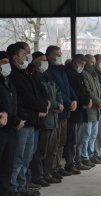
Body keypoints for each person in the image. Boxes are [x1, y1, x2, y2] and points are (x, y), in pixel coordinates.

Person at [8, 44, 49, 195]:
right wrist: (42, 106)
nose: (27, 57)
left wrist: (44, 105)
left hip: (32, 121)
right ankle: (12, 187)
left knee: (27, 157)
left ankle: (21, 185)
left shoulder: (26, 73)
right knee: (17, 157)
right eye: (25, 54)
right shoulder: (13, 74)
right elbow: (26, 97)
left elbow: (38, 93)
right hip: (23, 120)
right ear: (15, 57)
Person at [30, 51, 64, 186]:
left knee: (52, 149)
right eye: (42, 60)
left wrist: (60, 103)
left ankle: (48, 173)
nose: (45, 62)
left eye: (45, 60)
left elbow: (57, 91)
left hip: (54, 118)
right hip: (44, 120)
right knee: (41, 151)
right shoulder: (34, 78)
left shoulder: (47, 76)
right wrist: (56, 104)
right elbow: (44, 97)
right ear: (35, 62)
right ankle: (38, 176)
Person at [46, 45, 77, 179]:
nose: (59, 57)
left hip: (66, 112)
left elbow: (68, 87)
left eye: (60, 55)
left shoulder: (62, 70)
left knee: (62, 142)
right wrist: (68, 102)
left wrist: (74, 99)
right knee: (54, 144)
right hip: (58, 112)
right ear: (49, 56)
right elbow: (57, 91)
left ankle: (58, 166)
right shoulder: (48, 71)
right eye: (56, 55)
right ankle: (52, 169)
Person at [64, 54, 92, 172]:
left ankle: (77, 160)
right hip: (75, 111)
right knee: (72, 140)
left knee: (79, 139)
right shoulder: (68, 74)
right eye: (81, 64)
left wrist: (89, 100)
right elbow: (74, 93)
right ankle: (71, 164)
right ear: (75, 61)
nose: (82, 66)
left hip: (81, 111)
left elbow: (85, 90)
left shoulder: (79, 74)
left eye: (84, 65)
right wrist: (84, 102)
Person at [0, 51, 19, 195]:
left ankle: (6, 189)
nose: (7, 66)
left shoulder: (9, 81)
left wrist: (17, 118)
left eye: (8, 62)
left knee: (8, 160)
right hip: (1, 127)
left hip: (11, 127)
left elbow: (14, 103)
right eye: (3, 63)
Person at [81, 54, 101, 166]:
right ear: (86, 63)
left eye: (94, 63)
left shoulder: (94, 75)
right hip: (90, 110)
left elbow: (100, 90)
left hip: (97, 110)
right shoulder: (84, 74)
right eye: (91, 62)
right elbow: (88, 90)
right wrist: (99, 102)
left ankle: (91, 155)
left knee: (93, 135)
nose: (93, 64)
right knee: (86, 135)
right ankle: (84, 156)